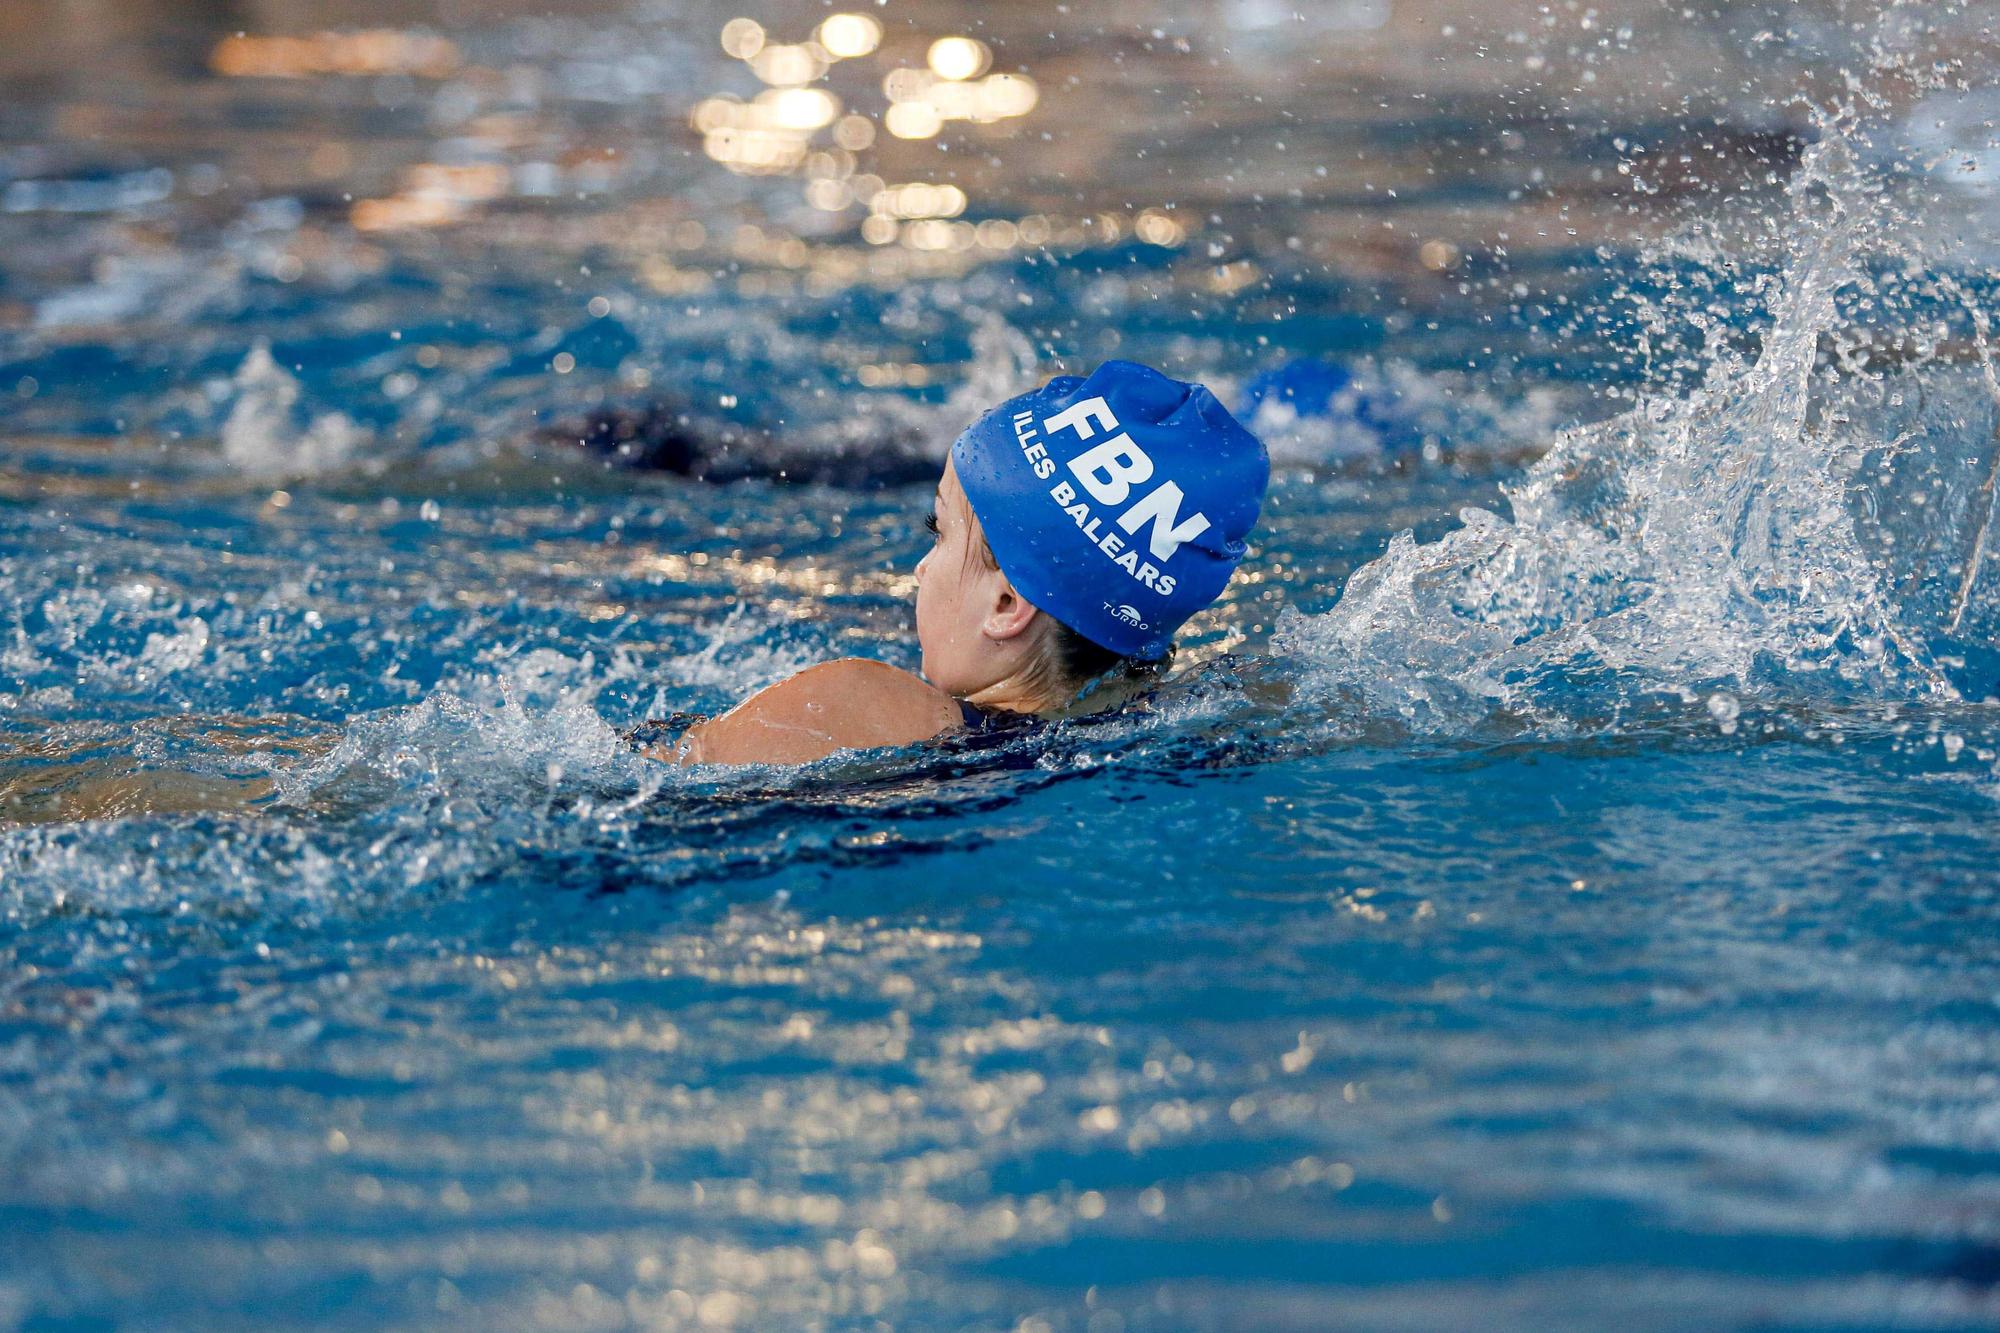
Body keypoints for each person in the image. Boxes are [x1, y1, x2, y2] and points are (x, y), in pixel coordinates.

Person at [644, 360, 1268, 767]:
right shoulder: (1191, 728)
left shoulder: (866, 710)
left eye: (937, 533)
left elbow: (597, 795)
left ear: (1006, 605)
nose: (921, 569)